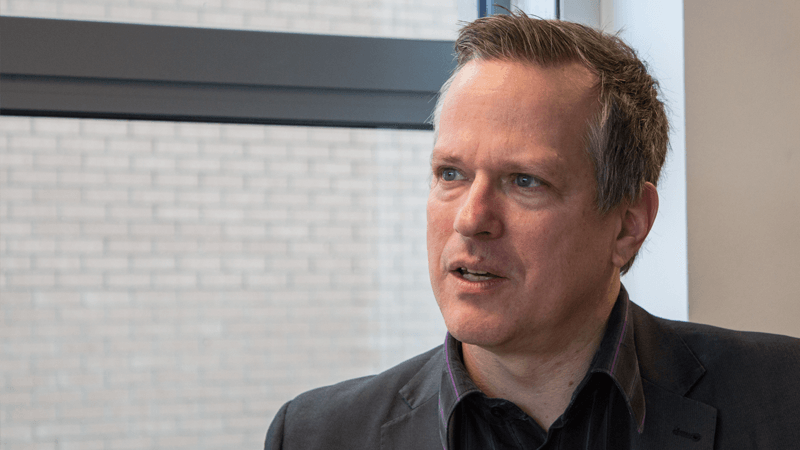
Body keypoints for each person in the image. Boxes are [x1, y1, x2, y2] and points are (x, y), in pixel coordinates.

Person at [265, 12, 800, 450]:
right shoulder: (316, 436)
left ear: (628, 224)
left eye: (525, 181)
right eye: (451, 174)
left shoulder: (784, 401)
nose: (470, 219)